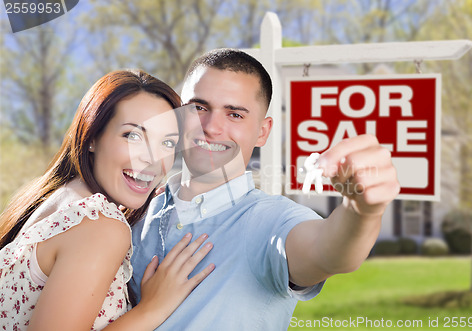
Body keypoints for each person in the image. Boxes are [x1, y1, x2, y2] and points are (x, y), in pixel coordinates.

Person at [129, 49, 400, 330]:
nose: (211, 127)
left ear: (262, 132)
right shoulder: (139, 208)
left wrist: (362, 212)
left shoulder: (270, 219)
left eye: (234, 114)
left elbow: (326, 251)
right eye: (199, 107)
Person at [0, 69, 215, 330]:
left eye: (168, 143)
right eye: (133, 136)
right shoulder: (99, 225)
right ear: (91, 137)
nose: (152, 158)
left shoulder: (55, 198)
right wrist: (152, 308)